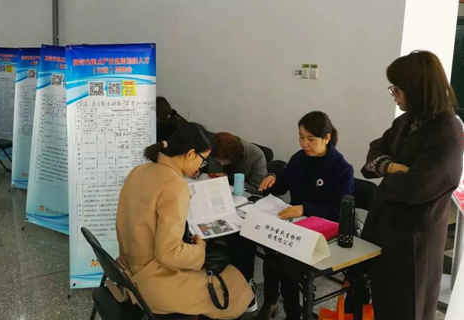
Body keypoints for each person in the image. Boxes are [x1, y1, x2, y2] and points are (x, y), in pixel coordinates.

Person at [361, 51, 463, 320]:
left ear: (417, 88)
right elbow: (376, 148)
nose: (394, 96)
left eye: (397, 89)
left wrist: (391, 176)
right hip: (386, 232)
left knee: (410, 309)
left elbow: (417, 188)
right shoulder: (407, 120)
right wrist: (392, 167)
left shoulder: (448, 131)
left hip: (415, 242)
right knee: (384, 305)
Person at [116, 122, 253, 319]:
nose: (200, 166)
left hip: (126, 270)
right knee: (234, 286)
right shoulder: (175, 185)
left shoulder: (140, 170)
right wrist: (199, 251)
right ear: (190, 154)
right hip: (154, 282)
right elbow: (169, 253)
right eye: (203, 160)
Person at [256, 111, 355, 320]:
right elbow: (282, 184)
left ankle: (291, 311)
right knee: (271, 248)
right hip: (296, 223)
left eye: (311, 139)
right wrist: (272, 179)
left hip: (324, 231)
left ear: (327, 138)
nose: (304, 144)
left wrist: (305, 208)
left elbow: (338, 213)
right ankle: (272, 300)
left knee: (284, 256)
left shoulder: (341, 169)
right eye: (301, 137)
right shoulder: (299, 158)